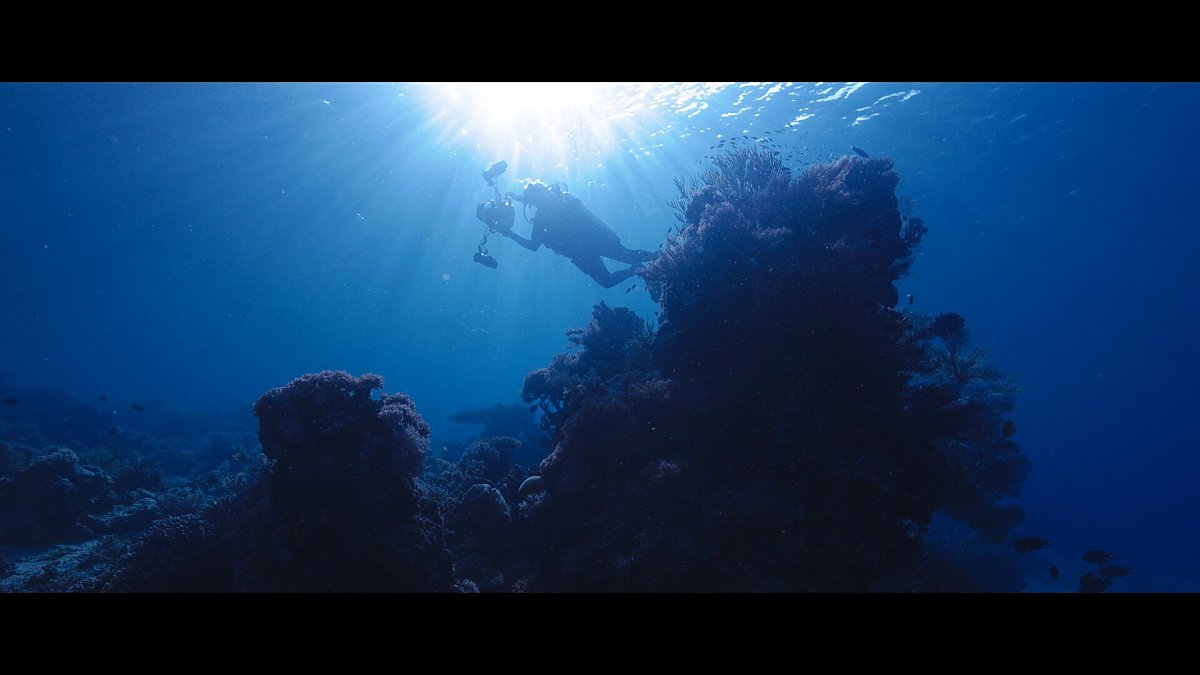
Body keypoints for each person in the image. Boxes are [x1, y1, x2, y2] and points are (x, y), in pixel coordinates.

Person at [495, 181, 655, 288]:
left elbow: (532, 246)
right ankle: (652, 260)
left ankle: (653, 260)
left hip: (589, 246)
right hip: (593, 243)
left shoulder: (544, 214)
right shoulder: (557, 203)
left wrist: (509, 234)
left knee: (613, 274)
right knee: (617, 269)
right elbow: (534, 245)